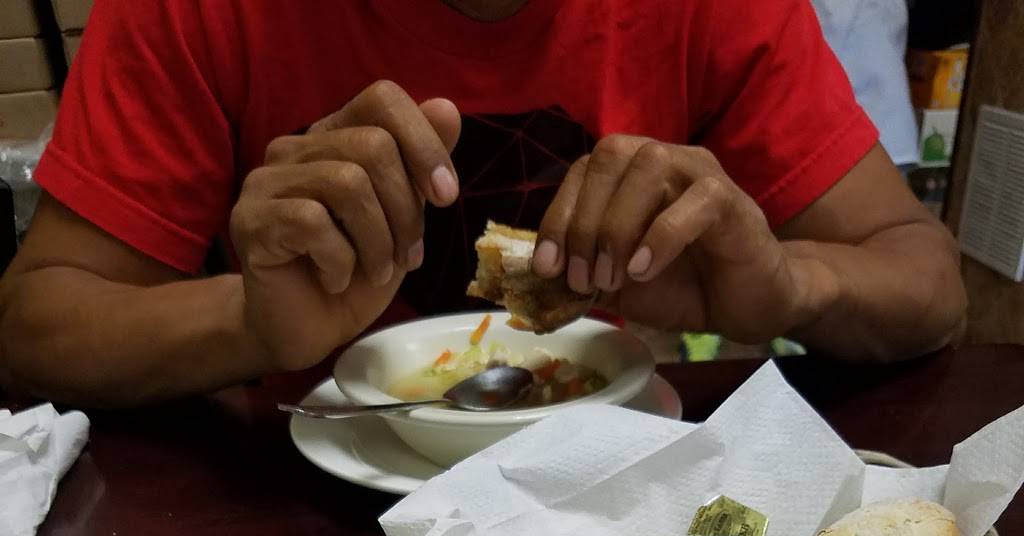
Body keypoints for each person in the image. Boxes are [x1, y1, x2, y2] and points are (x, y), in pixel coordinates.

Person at [0, 0, 966, 407]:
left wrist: (790, 288)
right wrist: (249, 321)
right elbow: (34, 327)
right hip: (282, 534)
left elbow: (928, 282)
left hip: (616, 512)